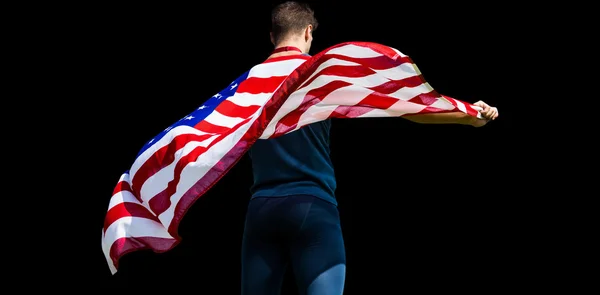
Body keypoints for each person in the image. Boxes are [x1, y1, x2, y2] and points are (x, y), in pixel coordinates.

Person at [240, 2, 499, 295]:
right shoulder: (318, 77)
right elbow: (403, 107)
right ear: (308, 32)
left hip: (261, 211)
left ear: (272, 36)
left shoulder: (245, 85)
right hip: (312, 208)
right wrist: (469, 116)